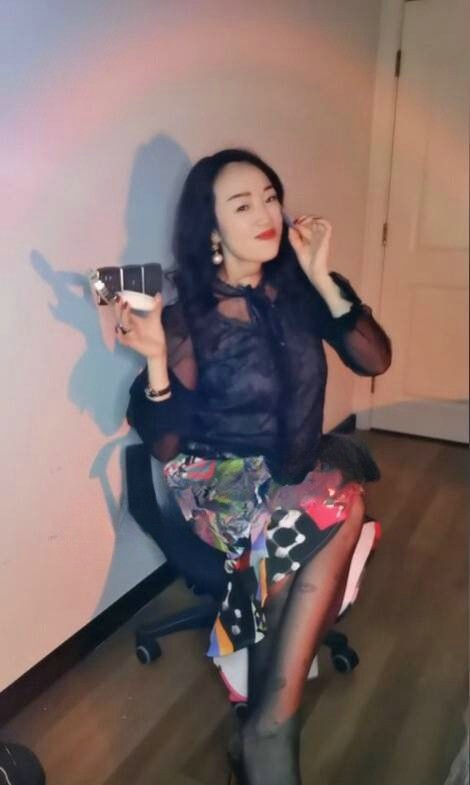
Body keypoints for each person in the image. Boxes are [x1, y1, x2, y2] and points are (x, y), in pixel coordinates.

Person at [116, 148, 392, 785]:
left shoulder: (298, 292)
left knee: (315, 521)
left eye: (271, 197)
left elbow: (374, 360)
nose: (267, 214)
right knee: (338, 505)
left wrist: (322, 276)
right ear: (211, 229)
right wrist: (155, 359)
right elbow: (165, 446)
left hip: (289, 472)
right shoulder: (190, 319)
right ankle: (270, 729)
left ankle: (265, 724)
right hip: (219, 484)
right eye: (243, 205)